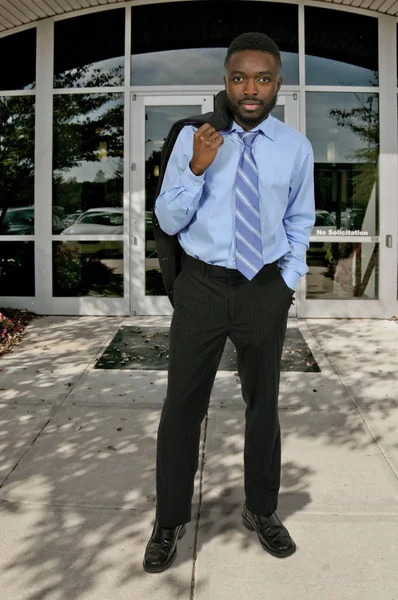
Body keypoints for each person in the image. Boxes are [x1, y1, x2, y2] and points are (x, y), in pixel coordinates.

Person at [143, 32, 315, 573]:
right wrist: (195, 166)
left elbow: (299, 220)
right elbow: (168, 220)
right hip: (202, 287)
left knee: (264, 405)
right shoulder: (195, 136)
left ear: (278, 84)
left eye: (262, 78)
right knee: (182, 408)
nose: (250, 88)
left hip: (263, 288)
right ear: (225, 80)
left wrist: (287, 281)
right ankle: (169, 518)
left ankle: (262, 510)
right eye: (239, 77)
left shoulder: (296, 147)